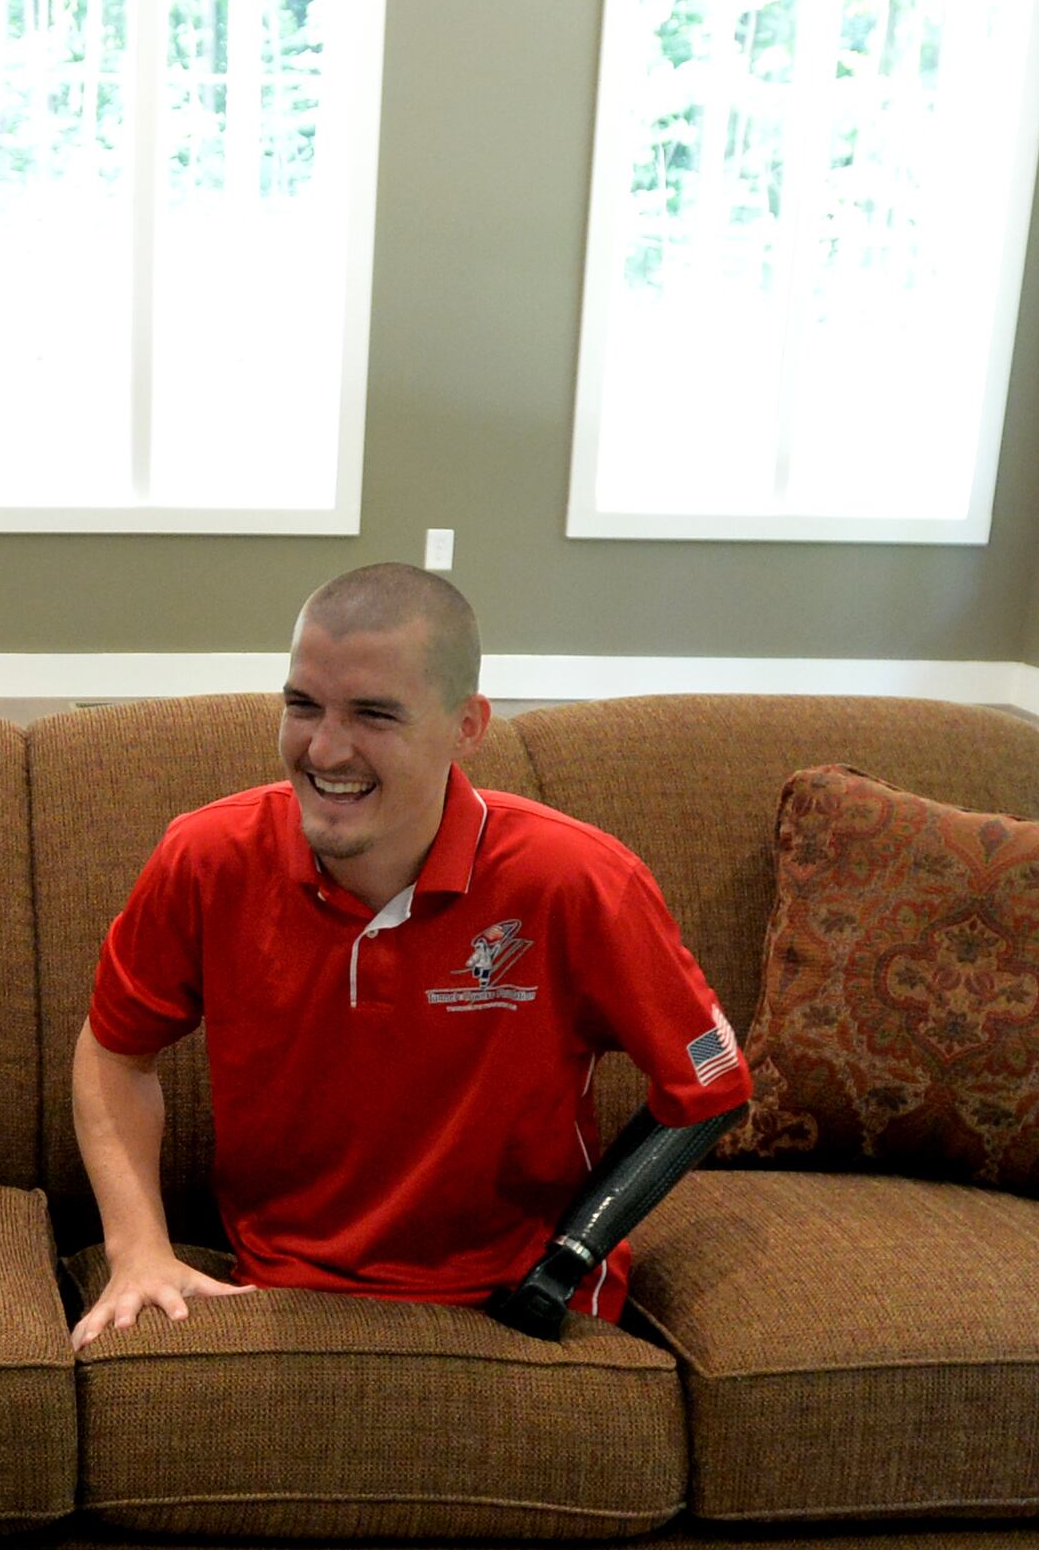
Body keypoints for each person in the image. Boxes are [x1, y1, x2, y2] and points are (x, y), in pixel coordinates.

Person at [70, 564, 750, 1348]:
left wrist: (570, 1258)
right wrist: (139, 1251)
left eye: (374, 715)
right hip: (274, 1290)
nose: (325, 749)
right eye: (303, 706)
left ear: (468, 725)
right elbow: (113, 1051)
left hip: (514, 1306)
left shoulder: (578, 880)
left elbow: (709, 1089)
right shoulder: (209, 857)